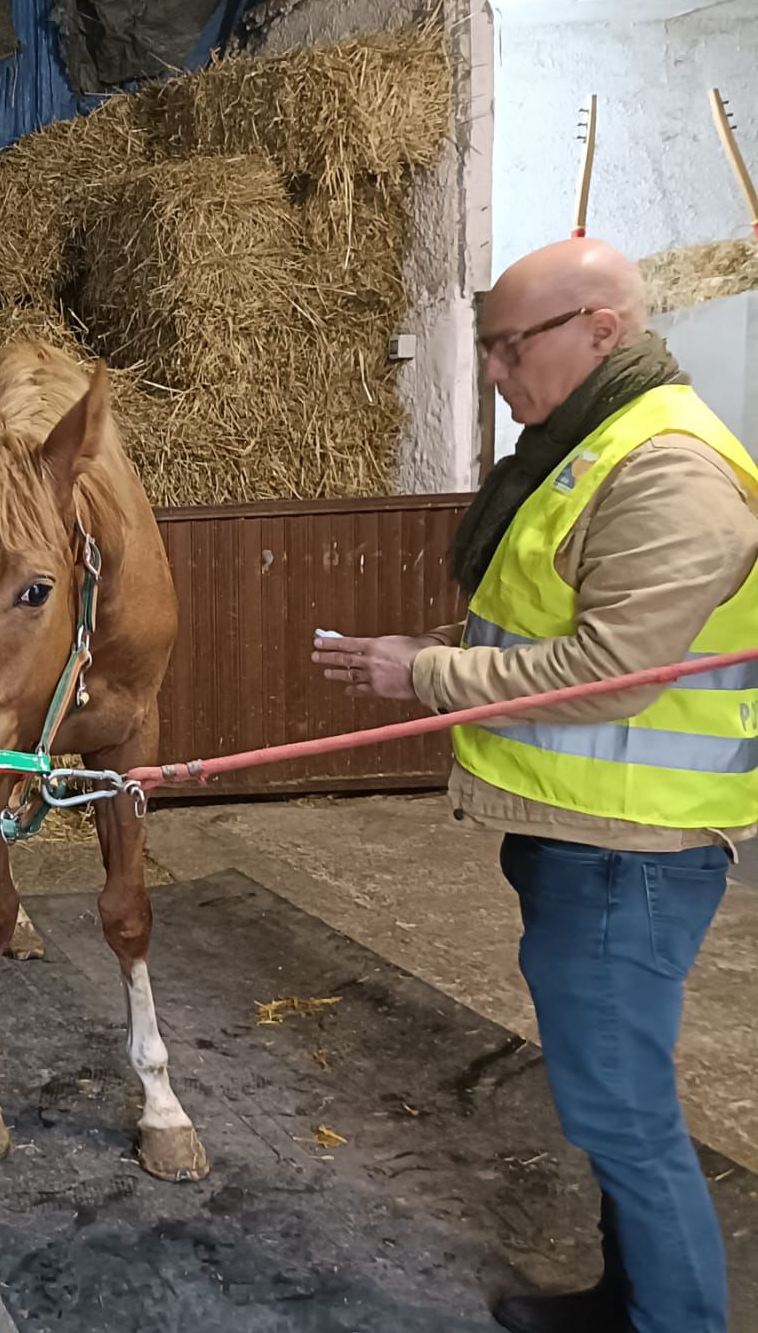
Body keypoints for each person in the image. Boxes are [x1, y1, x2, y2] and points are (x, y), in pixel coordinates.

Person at [313, 237, 758, 1333]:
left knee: (622, 1113)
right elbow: (551, 624)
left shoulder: (667, 468)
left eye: (512, 347)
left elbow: (614, 674)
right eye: (489, 347)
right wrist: (435, 648)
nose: (494, 370)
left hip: (629, 849)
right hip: (583, 832)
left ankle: (674, 1320)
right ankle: (629, 1298)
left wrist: (422, 675)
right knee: (608, 1097)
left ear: (600, 329)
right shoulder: (590, 447)